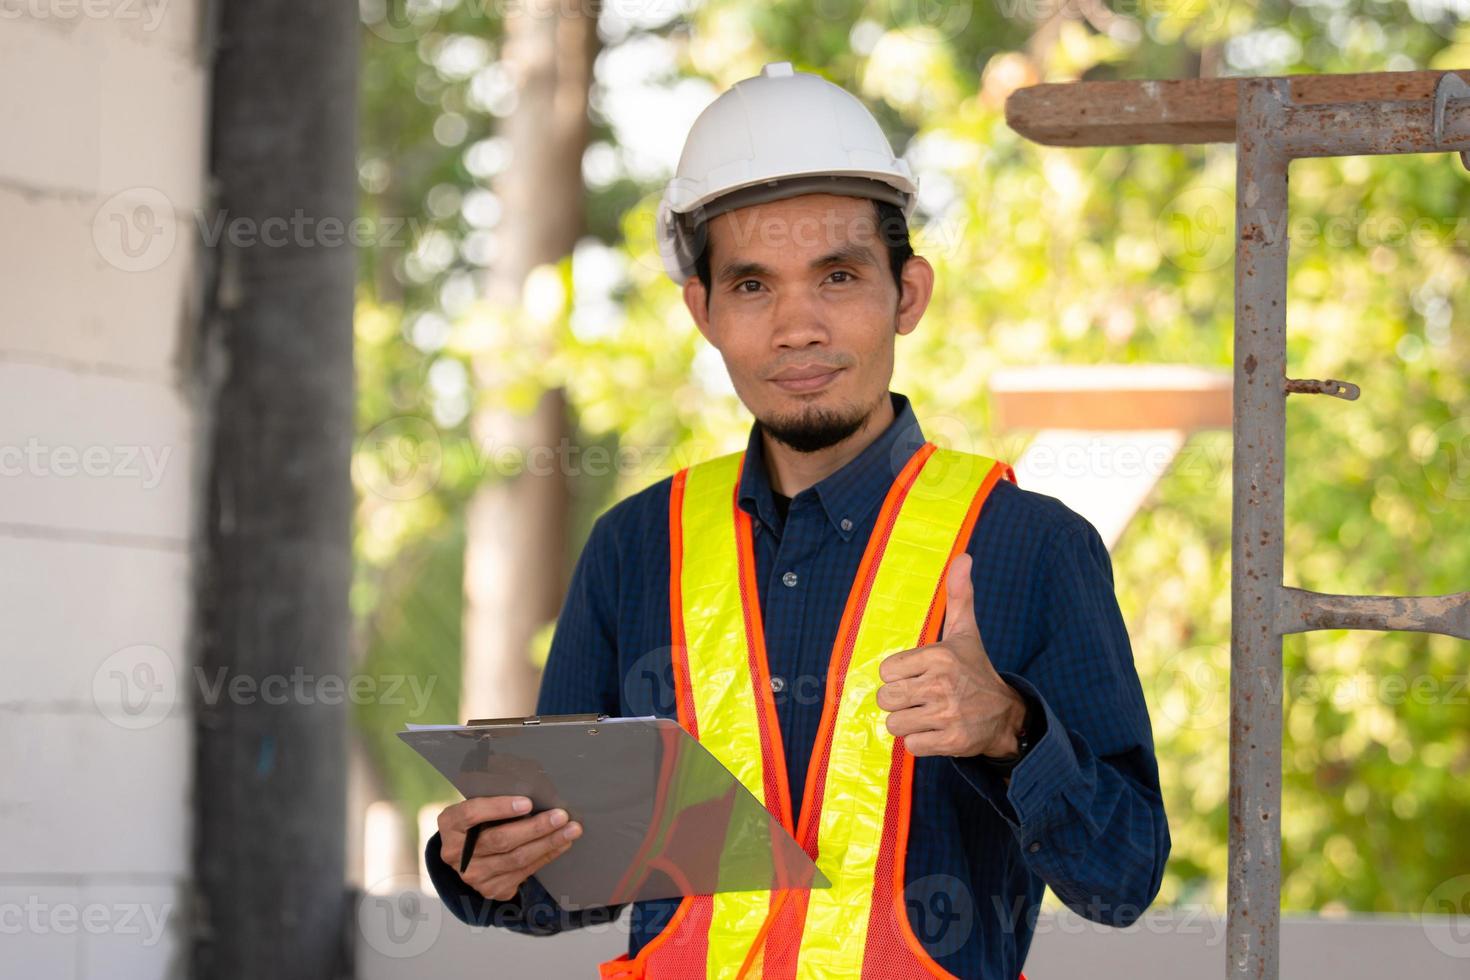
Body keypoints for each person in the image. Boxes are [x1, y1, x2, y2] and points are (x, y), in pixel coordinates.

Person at [424, 62, 1169, 979]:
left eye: (839, 276)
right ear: (701, 310)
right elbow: (578, 870)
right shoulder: (633, 550)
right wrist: (491, 864)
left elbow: (1123, 881)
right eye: (751, 287)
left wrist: (1012, 730)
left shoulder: (1030, 546)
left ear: (909, 295)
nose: (797, 327)